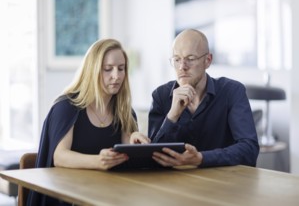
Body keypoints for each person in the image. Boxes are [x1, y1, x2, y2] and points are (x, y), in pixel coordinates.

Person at [28, 38, 150, 206]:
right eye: (108, 69)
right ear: (92, 70)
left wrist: (135, 144)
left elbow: (126, 156)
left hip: (107, 195)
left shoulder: (125, 111)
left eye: (121, 69)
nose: (116, 76)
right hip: (66, 196)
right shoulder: (67, 107)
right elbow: (60, 157)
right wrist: (98, 162)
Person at [148, 29, 259, 168]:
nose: (182, 67)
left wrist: (201, 158)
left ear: (208, 60)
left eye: (190, 58)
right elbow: (152, 158)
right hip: (176, 184)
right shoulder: (160, 96)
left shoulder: (232, 91)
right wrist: (173, 115)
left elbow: (249, 150)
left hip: (224, 183)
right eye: (177, 59)